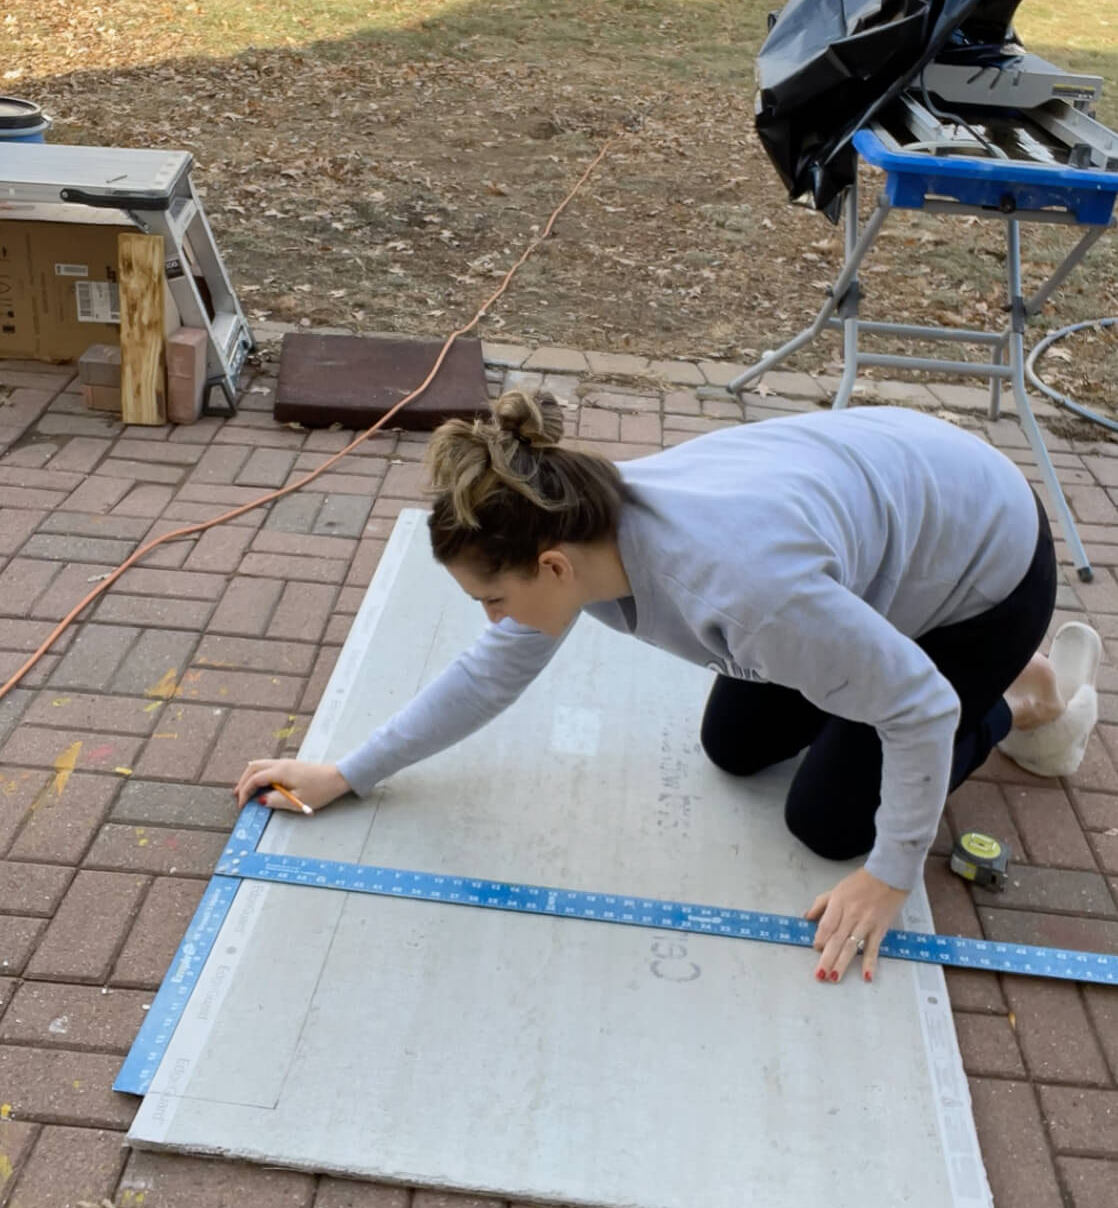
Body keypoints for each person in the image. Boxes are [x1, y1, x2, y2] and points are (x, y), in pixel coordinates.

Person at [235, 389, 1101, 985]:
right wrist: (347, 772)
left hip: (989, 568)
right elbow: (489, 676)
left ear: (550, 564)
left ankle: (1024, 696)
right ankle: (899, 647)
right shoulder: (584, 527)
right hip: (896, 528)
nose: (495, 622)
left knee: (828, 822)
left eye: (494, 599)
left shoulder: (746, 595)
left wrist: (890, 876)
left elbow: (919, 710)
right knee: (732, 747)